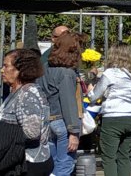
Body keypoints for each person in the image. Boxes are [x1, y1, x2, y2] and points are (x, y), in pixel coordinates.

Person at [0, 48, 51, 176]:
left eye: (6, 66)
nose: (2, 70)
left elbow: (32, 132)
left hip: (27, 164)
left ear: (21, 70)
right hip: (16, 162)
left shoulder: (28, 94)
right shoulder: (17, 92)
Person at [89, 43, 131, 176]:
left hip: (114, 118)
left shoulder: (110, 73)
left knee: (109, 157)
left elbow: (94, 96)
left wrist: (91, 90)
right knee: (124, 156)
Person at [38, 31, 82, 176]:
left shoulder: (43, 68)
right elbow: (69, 103)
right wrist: (74, 132)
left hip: (46, 122)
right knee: (64, 166)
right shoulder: (66, 73)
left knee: (52, 165)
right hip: (62, 123)